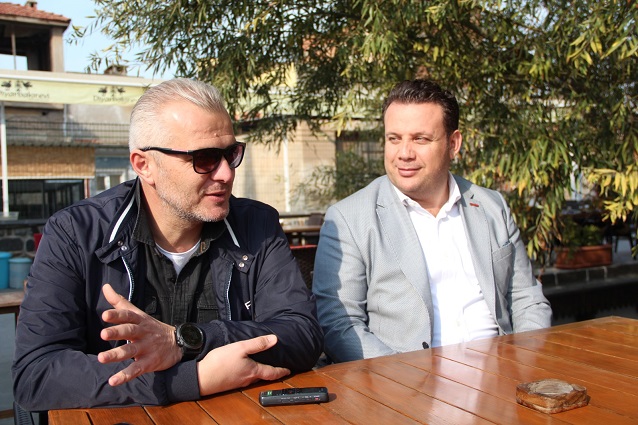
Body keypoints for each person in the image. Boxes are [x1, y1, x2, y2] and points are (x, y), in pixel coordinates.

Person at [12, 78, 323, 410]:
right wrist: (193, 379)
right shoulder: (76, 233)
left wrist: (190, 340)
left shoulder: (255, 225)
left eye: (230, 154)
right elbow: (37, 374)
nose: (226, 174)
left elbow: (302, 334)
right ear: (144, 165)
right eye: (204, 158)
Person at [312, 79, 552, 363]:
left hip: (502, 374)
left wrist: (523, 362)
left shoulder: (491, 207)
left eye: (420, 139)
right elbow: (339, 324)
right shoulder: (350, 219)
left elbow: (527, 298)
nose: (404, 153)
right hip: (405, 380)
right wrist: (406, 380)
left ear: (453, 144)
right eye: (394, 138)